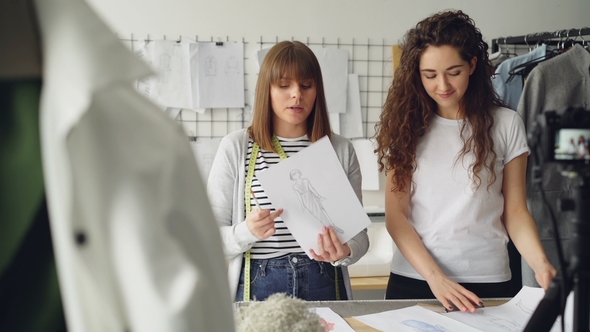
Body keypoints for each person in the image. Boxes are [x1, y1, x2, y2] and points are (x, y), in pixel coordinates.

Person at [373, 10, 556, 312]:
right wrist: (436, 278)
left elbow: (516, 211)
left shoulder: (506, 123)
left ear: (472, 65)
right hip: (416, 278)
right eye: (429, 75)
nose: (442, 85)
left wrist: (541, 264)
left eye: (453, 72)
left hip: (489, 277)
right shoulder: (405, 127)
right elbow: (396, 216)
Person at [207, 40, 369, 302]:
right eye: (284, 85)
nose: (296, 94)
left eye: (306, 85)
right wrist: (247, 231)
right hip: (260, 284)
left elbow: (360, 236)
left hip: (324, 280)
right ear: (266, 90)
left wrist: (345, 251)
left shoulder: (340, 150)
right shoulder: (236, 148)